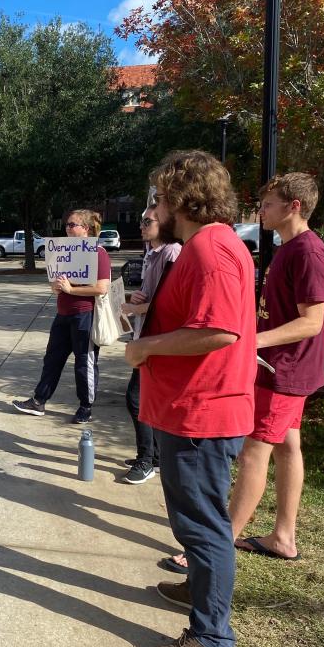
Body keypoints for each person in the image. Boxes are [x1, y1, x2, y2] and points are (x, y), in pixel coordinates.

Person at [125, 150, 255, 647]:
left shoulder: (210, 248)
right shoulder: (208, 245)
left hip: (202, 413)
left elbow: (219, 331)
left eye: (160, 196)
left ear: (182, 197)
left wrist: (146, 348)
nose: (157, 206)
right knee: (196, 523)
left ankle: (210, 642)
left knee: (203, 527)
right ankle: (200, 591)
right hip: (192, 409)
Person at [227, 173, 324, 561]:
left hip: (285, 371)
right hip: (284, 366)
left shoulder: (308, 252)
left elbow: (312, 322)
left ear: (295, 206)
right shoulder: (288, 248)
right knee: (288, 447)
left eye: (268, 204)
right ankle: (283, 537)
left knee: (254, 451)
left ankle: (219, 544)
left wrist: (252, 342)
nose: (261, 211)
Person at [12, 210, 110, 423]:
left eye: (73, 224)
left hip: (85, 314)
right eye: (67, 224)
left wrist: (71, 289)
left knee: (84, 362)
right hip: (63, 314)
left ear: (86, 228)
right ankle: (39, 401)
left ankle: (86, 407)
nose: (68, 228)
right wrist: (56, 287)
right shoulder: (63, 251)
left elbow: (102, 287)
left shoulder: (98, 252)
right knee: (52, 359)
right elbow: (56, 283)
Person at [120, 204, 181, 484]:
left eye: (148, 222)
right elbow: (148, 295)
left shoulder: (171, 253)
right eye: (141, 221)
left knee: (136, 399)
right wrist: (135, 299)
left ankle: (146, 460)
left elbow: (165, 303)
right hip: (146, 336)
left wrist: (133, 310)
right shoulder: (151, 254)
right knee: (143, 398)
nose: (142, 226)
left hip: (157, 340)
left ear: (164, 223)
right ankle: (154, 456)